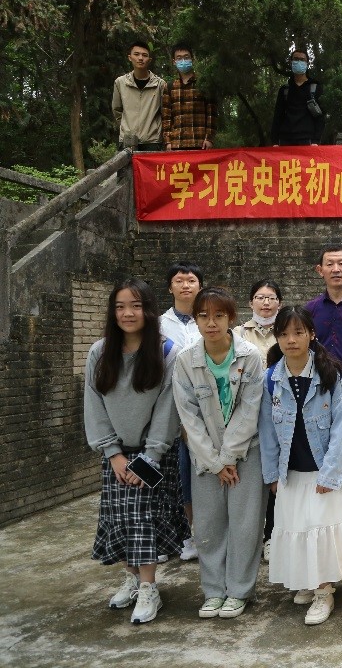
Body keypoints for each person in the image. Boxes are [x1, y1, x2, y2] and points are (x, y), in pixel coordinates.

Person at [84, 278, 189, 624]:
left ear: (148, 310)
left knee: (144, 518)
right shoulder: (99, 352)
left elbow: (167, 409)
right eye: (120, 307)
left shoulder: (167, 351)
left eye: (135, 306)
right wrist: (112, 453)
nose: (127, 313)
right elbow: (94, 405)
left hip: (154, 454)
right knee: (120, 518)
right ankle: (131, 579)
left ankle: (148, 587)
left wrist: (150, 457)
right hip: (115, 454)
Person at [260, 306, 342, 624]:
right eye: (284, 334)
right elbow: (266, 429)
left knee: (320, 530)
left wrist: (330, 473)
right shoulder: (271, 378)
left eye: (298, 332)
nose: (291, 340)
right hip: (292, 470)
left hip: (327, 468)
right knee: (299, 528)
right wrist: (271, 474)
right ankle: (308, 580)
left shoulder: (331, 374)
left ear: (311, 334)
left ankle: (324, 591)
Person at [172, 287, 266, 619]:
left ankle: (239, 591)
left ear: (231, 318)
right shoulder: (185, 360)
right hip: (205, 457)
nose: (211, 323)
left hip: (246, 454)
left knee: (245, 525)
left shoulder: (250, 356)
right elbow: (188, 417)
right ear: (195, 319)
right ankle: (213, 591)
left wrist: (228, 457)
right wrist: (214, 461)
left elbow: (250, 411)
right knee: (208, 527)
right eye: (203, 316)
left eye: (219, 316)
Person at [234, 279, 283, 561]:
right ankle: (251, 537)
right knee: (252, 478)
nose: (266, 303)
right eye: (260, 297)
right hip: (247, 414)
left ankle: (272, 536)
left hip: (279, 412)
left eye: (271, 297)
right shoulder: (237, 334)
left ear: (279, 303)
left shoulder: (287, 331)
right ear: (250, 302)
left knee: (275, 475)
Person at [159, 261, 203, 562]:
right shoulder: (158, 325)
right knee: (170, 473)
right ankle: (177, 534)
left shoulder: (208, 319)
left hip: (203, 408)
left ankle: (196, 533)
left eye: (191, 280)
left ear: (200, 286)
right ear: (170, 287)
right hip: (169, 406)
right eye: (179, 280)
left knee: (194, 472)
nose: (185, 285)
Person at [112, 41, 166, 151]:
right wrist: (126, 128)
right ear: (130, 57)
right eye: (136, 54)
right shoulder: (120, 83)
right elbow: (117, 110)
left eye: (144, 55)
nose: (140, 58)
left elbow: (164, 112)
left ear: (149, 60)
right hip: (127, 141)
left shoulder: (160, 84)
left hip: (152, 141)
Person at [161, 43, 216, 151]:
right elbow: (166, 117)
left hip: (200, 143)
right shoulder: (170, 86)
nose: (183, 61)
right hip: (177, 144)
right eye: (179, 58)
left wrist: (209, 138)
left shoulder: (203, 84)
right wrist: (168, 142)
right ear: (174, 61)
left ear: (192, 59)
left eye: (186, 57)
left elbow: (211, 113)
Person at [270, 49, 324, 146]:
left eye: (302, 60)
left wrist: (316, 140)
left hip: (307, 140)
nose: (299, 62)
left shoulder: (315, 88)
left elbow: (320, 117)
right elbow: (278, 116)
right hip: (285, 140)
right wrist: (275, 141)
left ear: (307, 63)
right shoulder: (285, 89)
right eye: (296, 59)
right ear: (291, 62)